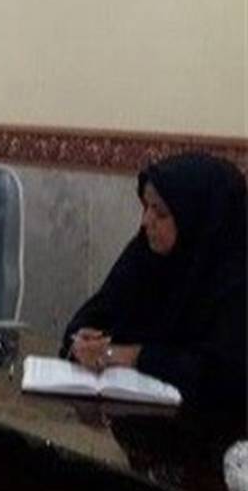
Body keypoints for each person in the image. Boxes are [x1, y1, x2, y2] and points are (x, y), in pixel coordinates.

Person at [63, 153, 246, 407]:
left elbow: (223, 375)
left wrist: (135, 356)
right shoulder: (144, 253)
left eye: (160, 213)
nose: (146, 221)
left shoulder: (234, 276)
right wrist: (82, 343)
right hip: (125, 414)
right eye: (146, 207)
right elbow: (92, 316)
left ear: (194, 218)